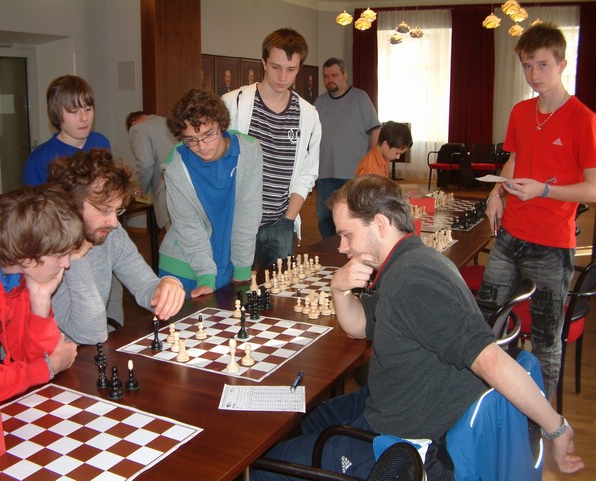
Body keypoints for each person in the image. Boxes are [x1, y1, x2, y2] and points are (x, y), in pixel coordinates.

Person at [251, 175, 584, 480]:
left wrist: (555, 428)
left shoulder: (412, 282)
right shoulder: (407, 259)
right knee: (309, 419)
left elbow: (490, 360)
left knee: (265, 466)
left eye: (347, 234)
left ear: (379, 224)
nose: (342, 247)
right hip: (397, 399)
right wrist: (339, 289)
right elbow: (358, 327)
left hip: (401, 440)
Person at [480, 23, 596, 400]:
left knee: (546, 341)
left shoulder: (583, 119)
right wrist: (497, 192)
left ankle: (540, 421)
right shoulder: (521, 111)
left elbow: (593, 188)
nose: (534, 75)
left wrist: (544, 190)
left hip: (551, 245)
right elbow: (514, 160)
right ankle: (489, 405)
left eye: (543, 65)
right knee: (487, 324)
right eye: (527, 66)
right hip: (510, 236)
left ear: (562, 64)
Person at [0, 185, 83, 404]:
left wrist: (40, 300)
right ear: (26, 256)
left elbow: (29, 359)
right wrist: (49, 367)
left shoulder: (19, 269)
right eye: (60, 255)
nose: (66, 264)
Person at [48, 148, 185, 345]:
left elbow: (144, 285)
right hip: (48, 357)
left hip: (91, 350)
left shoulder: (112, 234)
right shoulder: (47, 246)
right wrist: (77, 257)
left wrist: (166, 286)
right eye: (105, 210)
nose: (113, 222)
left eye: (117, 210)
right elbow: (88, 334)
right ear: (71, 205)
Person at [223, 28, 321, 270]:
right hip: (235, 222)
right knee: (233, 288)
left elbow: (308, 172)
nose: (282, 77)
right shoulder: (233, 104)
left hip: (280, 223)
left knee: (279, 289)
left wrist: (288, 219)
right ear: (263, 62)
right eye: (276, 67)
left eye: (291, 69)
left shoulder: (308, 115)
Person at [158, 89, 262, 298]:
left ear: (221, 125)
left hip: (227, 261)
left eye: (208, 134)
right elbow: (188, 225)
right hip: (184, 264)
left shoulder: (248, 151)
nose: (202, 146)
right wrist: (205, 276)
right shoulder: (175, 166)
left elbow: (247, 214)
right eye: (191, 139)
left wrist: (242, 267)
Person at [315, 57, 381, 239]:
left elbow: (375, 130)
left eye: (334, 75)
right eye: (326, 76)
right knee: (325, 218)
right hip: (325, 173)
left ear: (345, 75)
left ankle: (352, 249)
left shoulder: (360, 98)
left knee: (354, 218)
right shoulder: (319, 103)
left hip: (354, 174)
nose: (330, 80)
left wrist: (371, 160)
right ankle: (330, 250)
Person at [23, 75, 110, 186]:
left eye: (88, 109)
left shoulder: (101, 142)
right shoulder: (39, 161)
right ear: (56, 114)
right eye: (74, 111)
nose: (84, 118)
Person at [126, 111, 176, 230]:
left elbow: (145, 163)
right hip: (189, 186)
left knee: (175, 237)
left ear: (134, 123)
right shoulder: (169, 122)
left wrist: (142, 188)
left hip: (167, 190)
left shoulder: (137, 129)